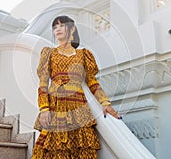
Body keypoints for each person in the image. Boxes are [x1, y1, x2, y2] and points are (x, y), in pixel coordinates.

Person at [31, 15, 121, 159]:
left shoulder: (83, 54)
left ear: (72, 28)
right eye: (55, 27)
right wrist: (44, 109)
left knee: (82, 149)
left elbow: (92, 82)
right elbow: (43, 84)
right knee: (54, 150)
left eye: (61, 25)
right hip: (56, 106)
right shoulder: (49, 53)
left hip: (79, 108)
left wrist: (105, 102)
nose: (57, 29)